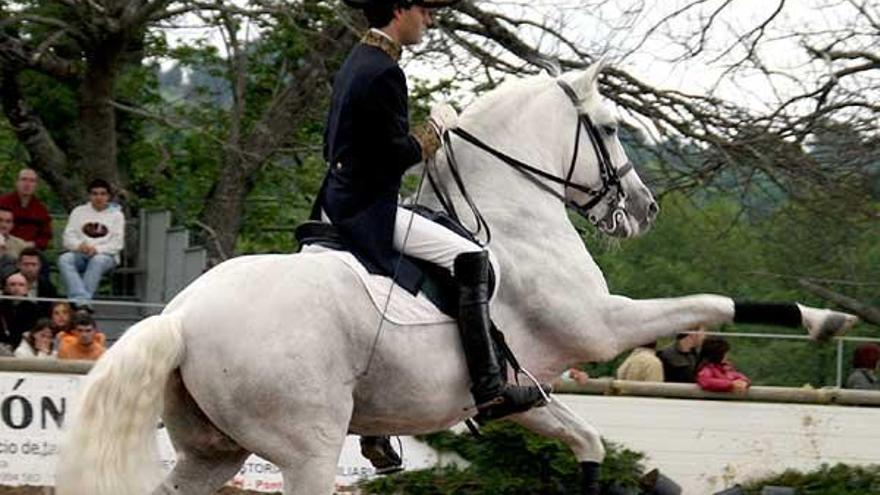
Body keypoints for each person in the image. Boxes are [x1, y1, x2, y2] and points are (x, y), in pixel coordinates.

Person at [314, 0, 548, 473]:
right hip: (367, 209)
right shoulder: (385, 73)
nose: (431, 20)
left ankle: (374, 426)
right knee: (472, 258)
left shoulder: (355, 61)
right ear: (400, 9)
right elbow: (393, 156)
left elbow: (334, 145)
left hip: (333, 200)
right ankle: (490, 389)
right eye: (426, 11)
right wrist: (435, 130)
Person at [58, 179, 125, 307]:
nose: (98, 197)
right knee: (64, 259)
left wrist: (97, 249)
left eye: (102, 193)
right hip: (81, 253)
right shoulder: (79, 212)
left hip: (106, 256)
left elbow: (117, 244)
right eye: (94, 193)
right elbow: (67, 237)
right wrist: (79, 246)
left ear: (108, 196)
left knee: (98, 260)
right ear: (89, 196)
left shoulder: (117, 215)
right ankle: (82, 300)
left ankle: (79, 303)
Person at [0, 169, 52, 250]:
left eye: (32, 181)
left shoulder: (41, 210)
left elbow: (45, 235)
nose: (27, 184)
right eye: (24, 179)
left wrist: (32, 244)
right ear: (16, 182)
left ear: (36, 185)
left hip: (30, 250)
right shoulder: (3, 202)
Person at [0, 272, 40, 353]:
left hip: (25, 348)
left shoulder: (35, 309)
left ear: (27, 289)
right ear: (6, 288)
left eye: (21, 285)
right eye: (12, 284)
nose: (16, 288)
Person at [17, 247, 57, 315]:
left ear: (40, 266)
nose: (30, 268)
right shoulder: (9, 283)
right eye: (26, 264)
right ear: (18, 265)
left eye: (34, 264)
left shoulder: (48, 286)